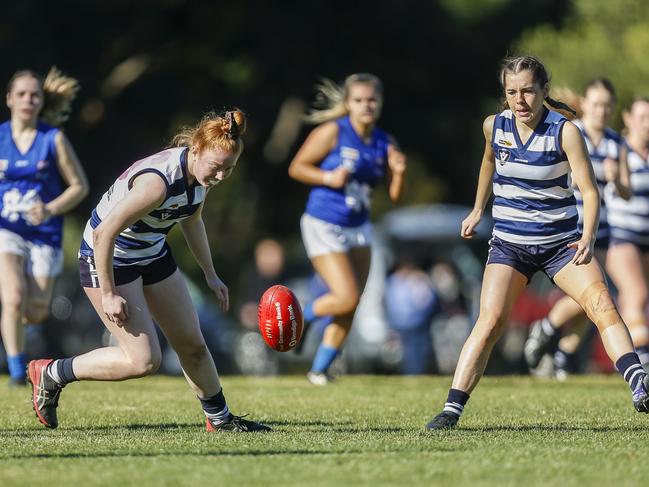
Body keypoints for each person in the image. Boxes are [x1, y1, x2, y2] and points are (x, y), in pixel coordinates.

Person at [426, 55, 649, 430]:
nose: (520, 100)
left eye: (528, 90)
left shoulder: (565, 132)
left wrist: (588, 236)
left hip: (561, 243)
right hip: (510, 246)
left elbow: (590, 192)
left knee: (601, 303)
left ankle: (639, 383)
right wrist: (478, 208)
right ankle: (451, 411)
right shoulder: (493, 126)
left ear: (544, 90)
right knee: (491, 321)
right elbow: (488, 163)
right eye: (512, 92)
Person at [27, 110, 270, 432]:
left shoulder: (201, 174)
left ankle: (221, 419)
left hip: (152, 253)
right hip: (108, 259)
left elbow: (192, 219)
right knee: (143, 361)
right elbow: (103, 234)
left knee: (192, 343)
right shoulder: (156, 184)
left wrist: (211, 274)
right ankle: (52, 372)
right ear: (195, 151)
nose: (221, 176)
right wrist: (109, 293)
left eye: (229, 169)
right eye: (216, 168)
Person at [288, 73, 406, 385]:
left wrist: (398, 171)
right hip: (324, 222)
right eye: (359, 100)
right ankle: (301, 319)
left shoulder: (385, 141)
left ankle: (320, 370)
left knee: (351, 303)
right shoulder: (333, 132)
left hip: (359, 225)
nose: (366, 106)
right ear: (348, 104)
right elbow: (297, 167)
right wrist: (328, 178)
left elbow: (395, 197)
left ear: (379, 103)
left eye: (371, 100)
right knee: (346, 296)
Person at [524, 79, 630, 378]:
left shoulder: (615, 142)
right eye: (597, 104)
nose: (602, 111)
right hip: (571, 229)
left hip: (603, 230)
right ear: (585, 103)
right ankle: (549, 330)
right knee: (589, 296)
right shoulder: (572, 132)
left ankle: (562, 353)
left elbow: (625, 192)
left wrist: (617, 178)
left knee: (597, 299)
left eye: (608, 105)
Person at [1, 68, 89, 386]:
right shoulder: (0, 138)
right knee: (12, 299)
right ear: (9, 99)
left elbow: (79, 186)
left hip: (44, 234)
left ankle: (22, 322)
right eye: (21, 94)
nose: (28, 99)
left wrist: (49, 208)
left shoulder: (53, 139)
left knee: (36, 310)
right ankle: (16, 372)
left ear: (42, 101)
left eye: (34, 94)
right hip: (7, 230)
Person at [605, 97, 649, 365]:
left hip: (647, 239)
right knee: (636, 295)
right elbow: (621, 191)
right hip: (622, 238)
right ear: (629, 119)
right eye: (642, 117)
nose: (648, 124)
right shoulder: (619, 152)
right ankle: (641, 365)